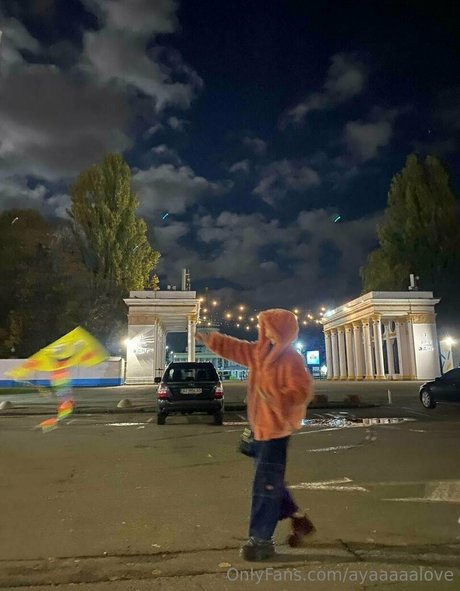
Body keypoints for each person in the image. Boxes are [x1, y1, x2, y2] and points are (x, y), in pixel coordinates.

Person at [195, 308, 316, 561]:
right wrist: (212, 340)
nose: (265, 331)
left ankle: (261, 540)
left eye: (269, 327)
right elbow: (237, 349)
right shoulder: (260, 352)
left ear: (281, 331)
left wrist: (276, 397)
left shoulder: (291, 358)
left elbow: (302, 391)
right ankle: (298, 519)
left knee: (265, 484)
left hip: (277, 430)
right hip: (259, 428)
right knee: (270, 480)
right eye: (263, 327)